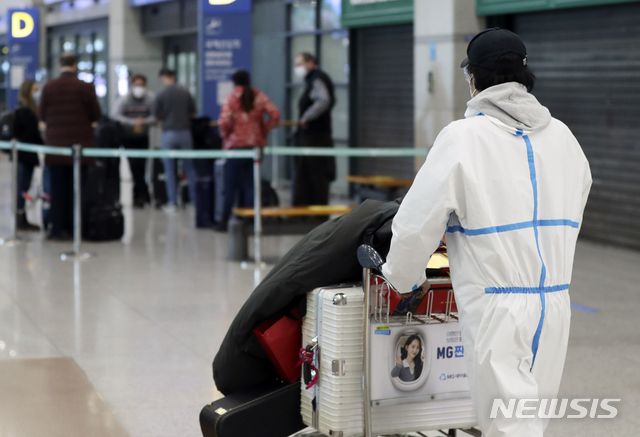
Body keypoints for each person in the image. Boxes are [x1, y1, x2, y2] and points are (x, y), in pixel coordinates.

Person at [380, 28, 591, 437]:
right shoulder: (563, 137)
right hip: (555, 303)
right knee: (529, 421)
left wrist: (402, 277)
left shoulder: (463, 138)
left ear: (472, 78)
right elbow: (576, 200)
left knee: (507, 426)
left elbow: (414, 222)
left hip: (497, 307)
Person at [39, 53, 102, 240]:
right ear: (75, 66)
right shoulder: (85, 87)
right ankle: (76, 229)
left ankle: (58, 228)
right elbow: (96, 114)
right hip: (79, 148)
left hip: (55, 148)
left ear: (59, 66)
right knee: (77, 191)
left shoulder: (48, 87)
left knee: (57, 190)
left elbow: (42, 114)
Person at [216, 70, 280, 231]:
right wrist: (264, 130)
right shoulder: (259, 96)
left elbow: (223, 122)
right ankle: (249, 219)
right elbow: (275, 114)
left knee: (230, 186)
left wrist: (226, 136)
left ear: (235, 82)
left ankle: (224, 221)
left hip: (235, 147)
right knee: (250, 185)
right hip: (256, 147)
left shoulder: (231, 98)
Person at [293, 52, 336, 206]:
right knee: (306, 174)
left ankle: (316, 212)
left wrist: (307, 117)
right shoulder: (312, 79)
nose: (297, 68)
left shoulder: (317, 78)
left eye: (299, 64)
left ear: (310, 62)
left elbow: (324, 100)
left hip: (316, 136)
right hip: (311, 135)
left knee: (316, 174)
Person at [153, 68, 197, 213]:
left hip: (168, 133)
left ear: (162, 77)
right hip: (185, 133)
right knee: (189, 169)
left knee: (169, 169)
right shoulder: (185, 92)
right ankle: (193, 201)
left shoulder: (161, 93)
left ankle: (173, 202)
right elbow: (193, 112)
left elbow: (156, 115)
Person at [111, 74, 155, 207]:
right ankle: (141, 194)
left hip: (143, 136)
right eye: (137, 85)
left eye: (142, 85)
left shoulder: (151, 98)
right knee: (134, 166)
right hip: (128, 137)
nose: (139, 88)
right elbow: (115, 115)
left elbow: (156, 115)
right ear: (132, 86)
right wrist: (132, 122)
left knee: (142, 166)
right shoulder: (124, 100)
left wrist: (144, 121)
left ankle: (141, 195)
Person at [12, 80, 43, 231]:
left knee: (24, 186)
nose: (37, 93)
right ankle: (20, 218)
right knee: (22, 187)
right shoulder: (26, 111)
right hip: (25, 156)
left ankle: (22, 217)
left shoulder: (27, 109)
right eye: (34, 90)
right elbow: (31, 134)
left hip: (25, 155)